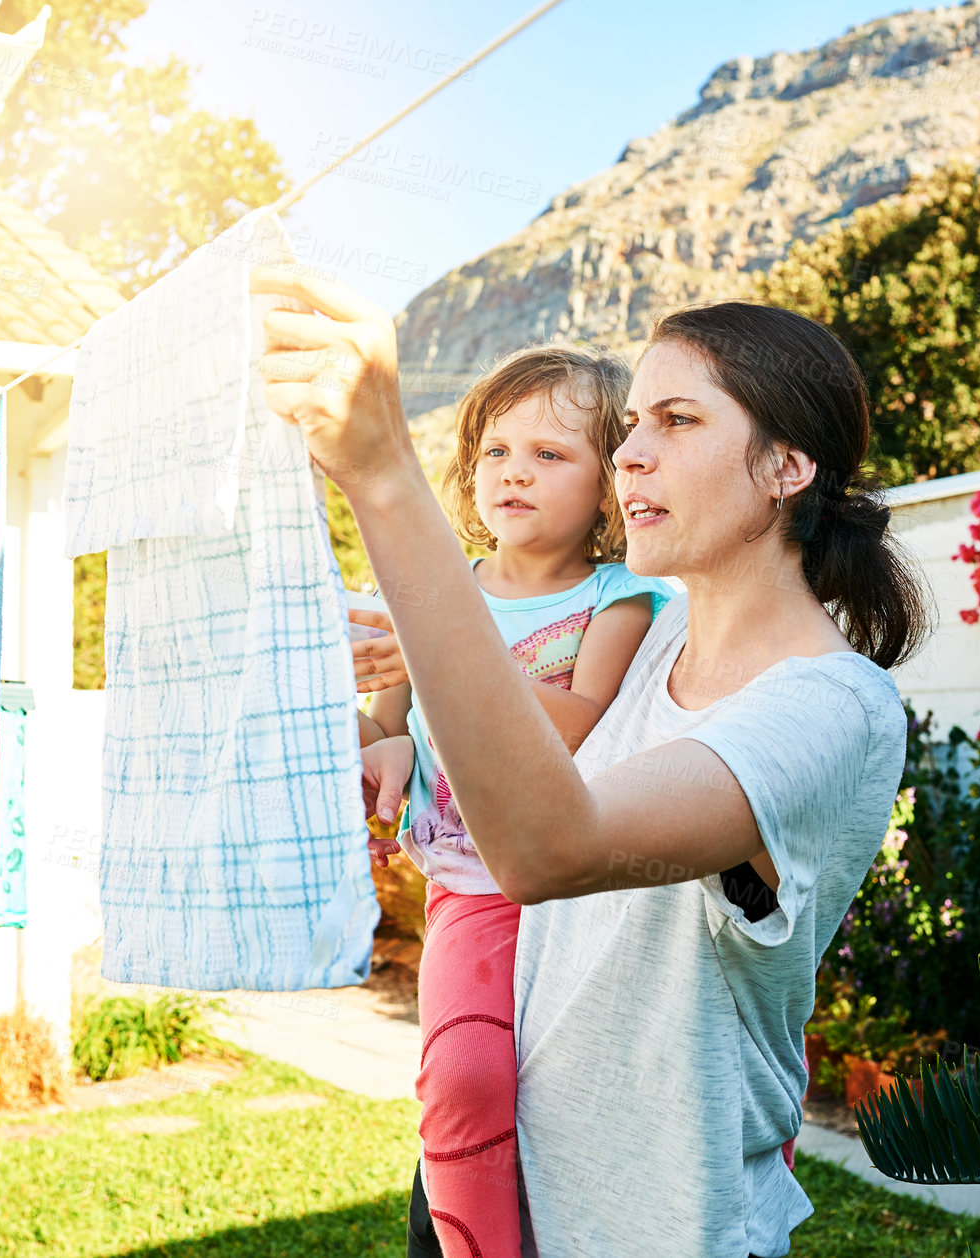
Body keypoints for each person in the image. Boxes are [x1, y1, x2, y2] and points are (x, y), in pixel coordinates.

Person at [253, 272, 930, 1258]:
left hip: (651, 1229)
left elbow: (547, 845)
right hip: (494, 1172)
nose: (630, 455)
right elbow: (507, 771)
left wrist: (384, 472)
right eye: (627, 429)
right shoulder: (655, 641)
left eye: (676, 420)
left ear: (786, 466)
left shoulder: (830, 708)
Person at [353, 345, 674, 1258]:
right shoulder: (430, 590)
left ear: (610, 484)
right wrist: (384, 751)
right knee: (462, 1077)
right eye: (496, 451)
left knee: (564, 1096)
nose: (513, 472)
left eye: (549, 453)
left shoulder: (621, 600)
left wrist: (443, 650)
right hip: (471, 886)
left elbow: (577, 727)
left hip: (579, 892)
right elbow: (387, 724)